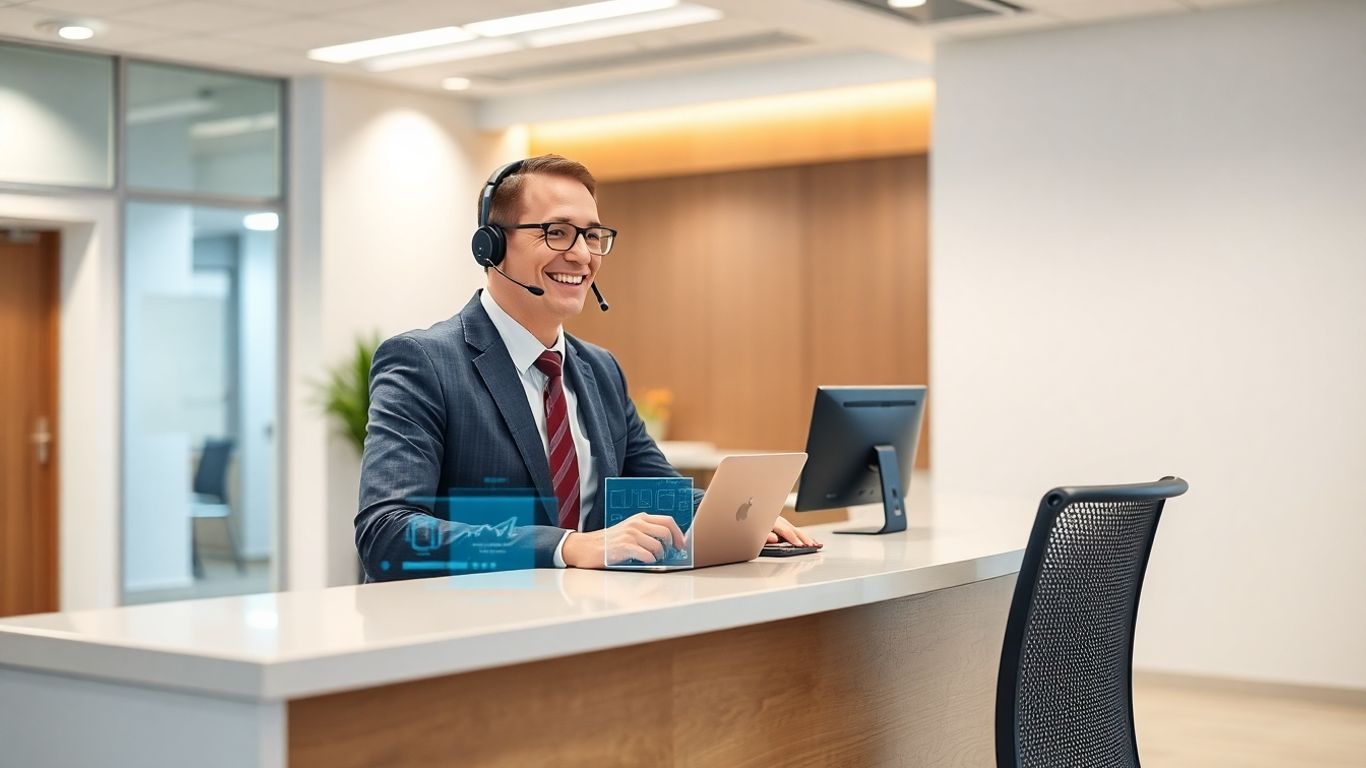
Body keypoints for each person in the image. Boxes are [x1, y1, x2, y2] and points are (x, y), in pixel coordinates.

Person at [356, 154, 818, 581]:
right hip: (466, 633)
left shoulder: (598, 369)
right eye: (556, 232)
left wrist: (741, 516)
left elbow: (653, 489)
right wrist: (566, 547)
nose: (581, 254)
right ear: (491, 246)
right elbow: (389, 531)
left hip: (585, 625)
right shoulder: (423, 361)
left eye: (593, 235)